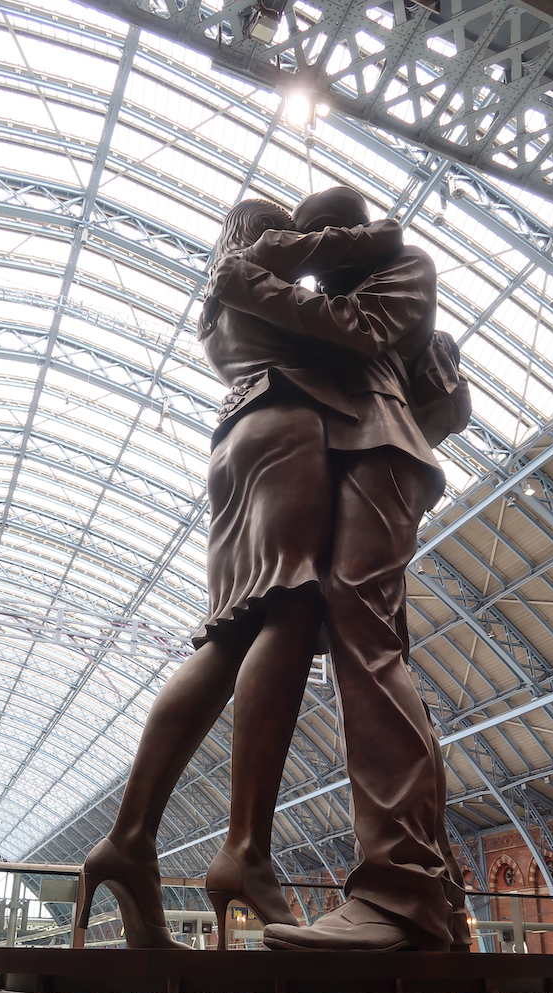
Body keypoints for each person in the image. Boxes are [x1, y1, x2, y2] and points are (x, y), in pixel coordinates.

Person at [75, 198, 406, 949]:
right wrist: (359, 238)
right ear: (270, 239)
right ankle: (245, 850)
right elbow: (352, 331)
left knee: (227, 637)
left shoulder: (218, 309)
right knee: (291, 608)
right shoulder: (257, 275)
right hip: (289, 430)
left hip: (233, 445)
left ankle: (130, 840)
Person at [210, 185, 469, 951]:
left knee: (367, 638)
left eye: (324, 241)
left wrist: (272, 263)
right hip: (351, 451)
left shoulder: (403, 269)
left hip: (382, 450)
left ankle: (401, 893)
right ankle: (426, 880)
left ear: (349, 235)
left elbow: (356, 331)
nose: (316, 261)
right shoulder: (328, 296)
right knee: (368, 640)